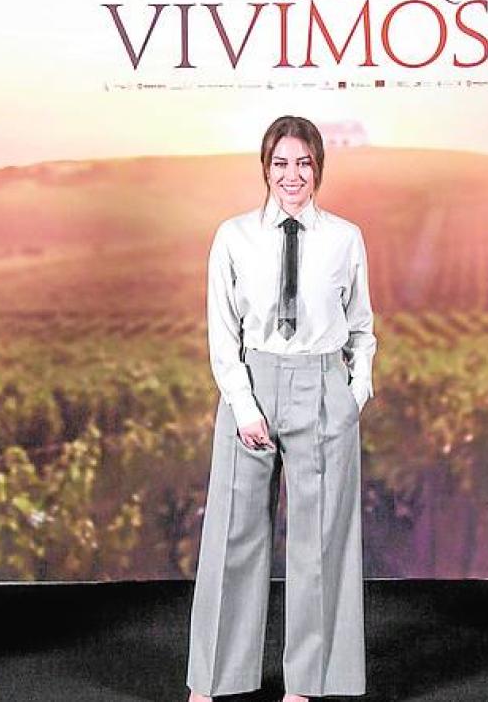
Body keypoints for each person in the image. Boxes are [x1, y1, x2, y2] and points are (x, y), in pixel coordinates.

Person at [186, 115, 375, 702]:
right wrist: (243, 404)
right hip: (253, 380)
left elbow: (362, 329)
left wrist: (354, 393)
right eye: (280, 163)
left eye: (304, 163)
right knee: (233, 537)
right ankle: (212, 683)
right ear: (265, 168)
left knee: (319, 543)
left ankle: (307, 686)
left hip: (323, 387)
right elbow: (223, 333)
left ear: (318, 167)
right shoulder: (233, 236)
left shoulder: (345, 237)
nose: (292, 175)